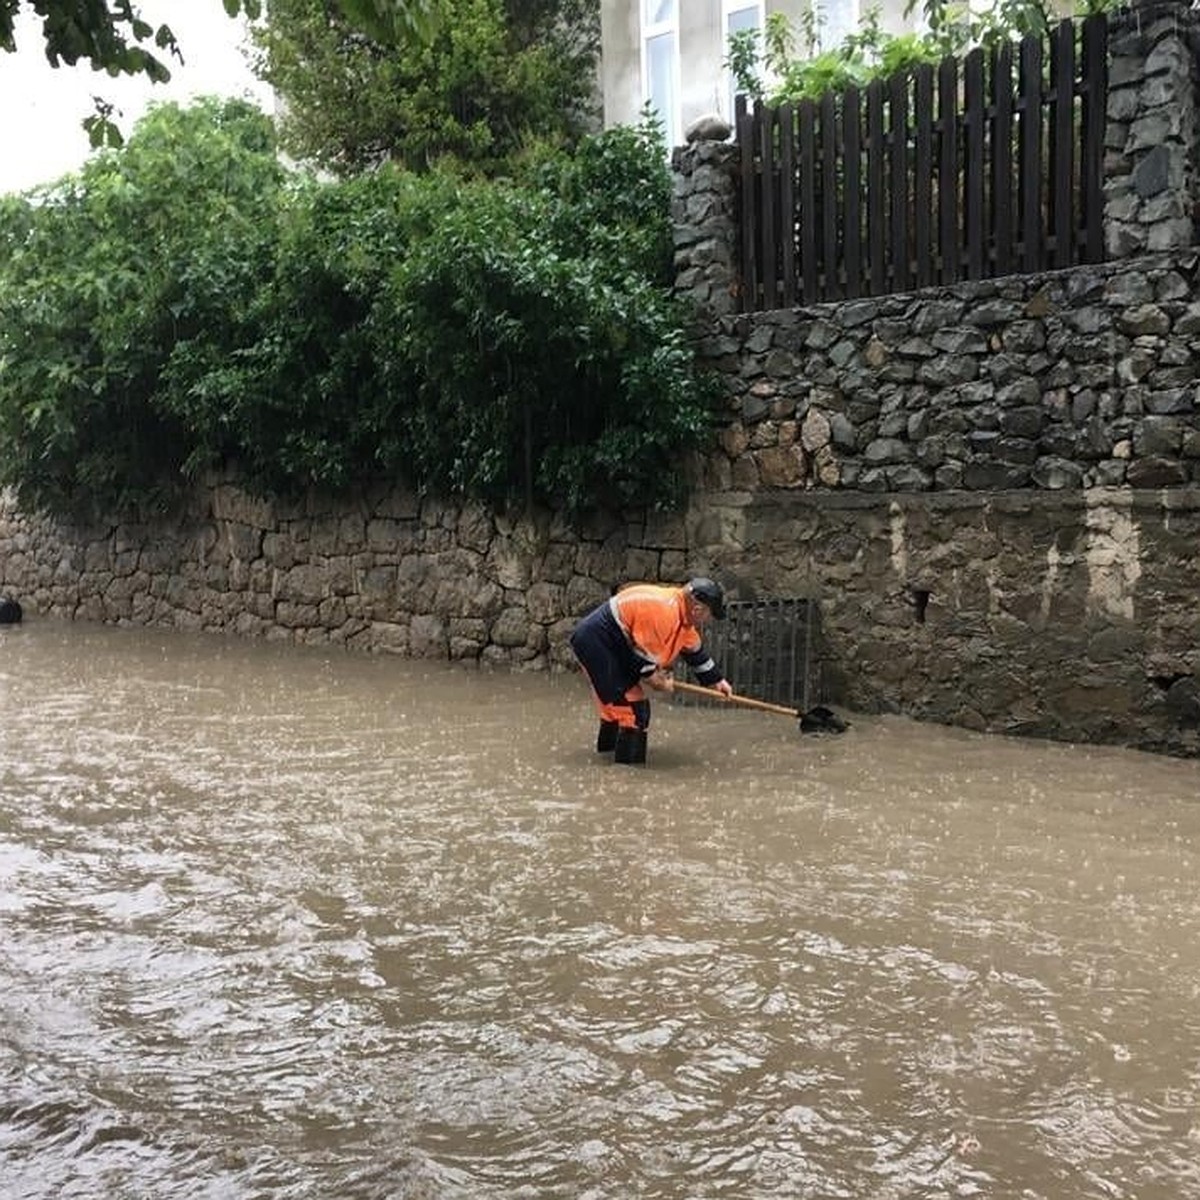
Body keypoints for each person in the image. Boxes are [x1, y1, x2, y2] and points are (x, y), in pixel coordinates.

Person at [569, 577, 734, 765]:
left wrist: (717, 681)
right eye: (710, 615)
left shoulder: (681, 616)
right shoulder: (665, 614)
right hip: (598, 643)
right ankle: (627, 781)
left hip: (612, 645)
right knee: (634, 712)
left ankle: (605, 763)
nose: (709, 621)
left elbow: (695, 653)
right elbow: (647, 670)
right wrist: (660, 682)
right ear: (698, 610)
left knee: (615, 711)